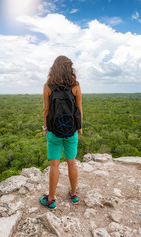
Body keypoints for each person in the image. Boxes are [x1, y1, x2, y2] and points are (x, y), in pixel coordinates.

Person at [39, 56, 83, 210]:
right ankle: (73, 194)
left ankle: (51, 199)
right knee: (72, 162)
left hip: (54, 130)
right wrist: (79, 127)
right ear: (70, 68)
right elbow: (79, 109)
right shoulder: (75, 85)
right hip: (71, 130)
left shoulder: (48, 86)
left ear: (54, 68)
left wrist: (45, 128)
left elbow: (46, 110)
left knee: (54, 165)